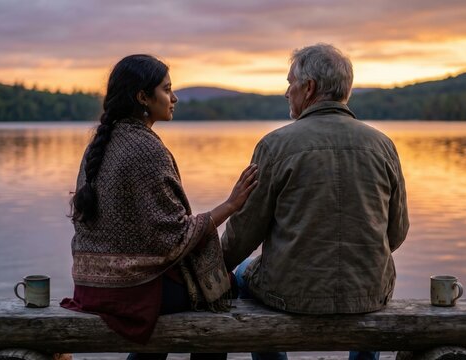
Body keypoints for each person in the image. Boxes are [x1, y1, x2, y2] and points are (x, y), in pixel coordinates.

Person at [61, 54, 258, 360]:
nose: (174, 97)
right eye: (167, 89)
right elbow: (173, 239)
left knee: (181, 287)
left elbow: (152, 236)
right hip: (129, 293)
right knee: (221, 289)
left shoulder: (100, 144)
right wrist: (231, 205)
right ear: (143, 97)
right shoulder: (147, 148)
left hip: (89, 287)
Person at [222, 44, 409, 360]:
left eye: (289, 83)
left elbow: (243, 235)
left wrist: (215, 266)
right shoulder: (382, 145)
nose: (286, 93)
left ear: (308, 88)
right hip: (367, 293)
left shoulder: (274, 145)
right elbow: (397, 232)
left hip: (288, 294)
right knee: (373, 279)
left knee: (241, 273)